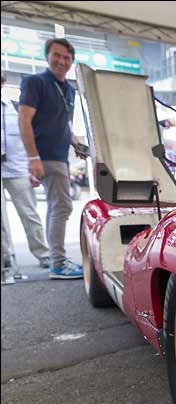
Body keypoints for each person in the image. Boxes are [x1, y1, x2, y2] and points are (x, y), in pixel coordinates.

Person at [18, 37, 86, 280]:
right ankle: (57, 263)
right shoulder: (35, 82)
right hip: (46, 155)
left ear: (71, 62)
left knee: (57, 207)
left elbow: (64, 123)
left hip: (60, 156)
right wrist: (33, 157)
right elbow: (24, 120)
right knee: (62, 206)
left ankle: (56, 260)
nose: (61, 61)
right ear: (47, 56)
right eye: (56, 55)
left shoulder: (68, 89)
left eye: (66, 58)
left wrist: (76, 144)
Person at [2, 72, 50, 285]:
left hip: (18, 168)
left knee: (29, 214)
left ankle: (43, 254)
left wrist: (33, 165)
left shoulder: (15, 106)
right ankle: (4, 262)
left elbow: (30, 134)